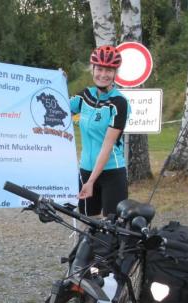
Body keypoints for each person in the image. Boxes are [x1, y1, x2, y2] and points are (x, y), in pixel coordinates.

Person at [69, 45, 131, 218]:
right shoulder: (85, 96)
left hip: (111, 171)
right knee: (89, 226)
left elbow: (107, 145)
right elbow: (58, 109)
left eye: (109, 70)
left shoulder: (119, 102)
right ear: (93, 69)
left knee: (113, 229)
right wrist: (58, 80)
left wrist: (91, 182)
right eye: (100, 69)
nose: (103, 74)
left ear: (115, 73)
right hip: (86, 169)